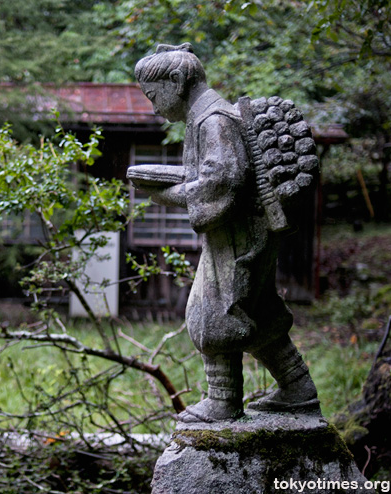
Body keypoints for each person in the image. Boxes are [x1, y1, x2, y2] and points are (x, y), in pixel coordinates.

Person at [131, 43, 319, 422]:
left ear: (177, 81)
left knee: (212, 310)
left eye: (154, 96)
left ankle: (223, 401)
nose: (155, 108)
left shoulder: (212, 119)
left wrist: (172, 197)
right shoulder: (206, 118)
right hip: (242, 234)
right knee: (256, 309)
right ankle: (298, 388)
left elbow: (222, 182)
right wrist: (166, 185)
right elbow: (215, 176)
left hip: (238, 238)